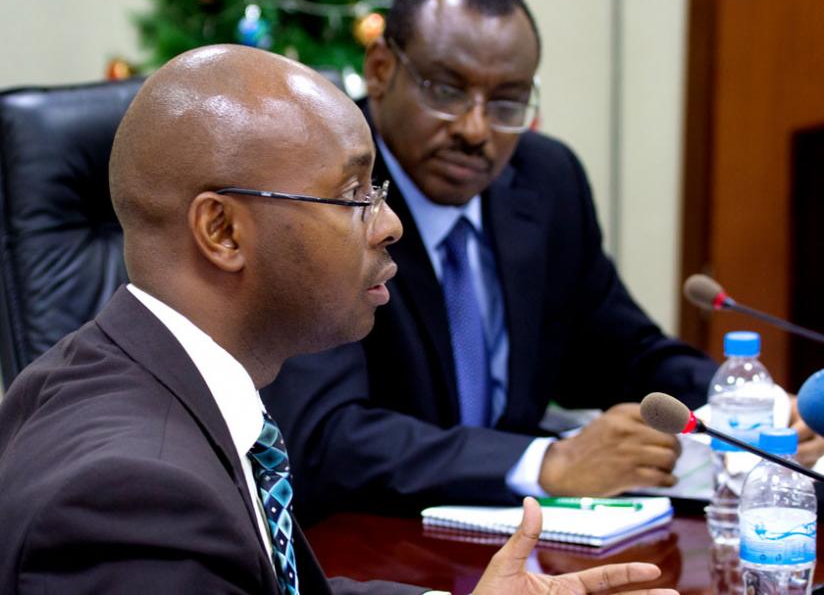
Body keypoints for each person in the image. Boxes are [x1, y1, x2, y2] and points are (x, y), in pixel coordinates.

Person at [0, 45, 678, 595]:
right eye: (353, 194)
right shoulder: (134, 501)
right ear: (223, 231)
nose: (390, 223)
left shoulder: (112, 373)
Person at [263, 0, 824, 521]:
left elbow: (622, 352)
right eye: (447, 91)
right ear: (381, 70)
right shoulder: (324, 195)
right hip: (369, 539)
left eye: (507, 102)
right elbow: (324, 437)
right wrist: (546, 463)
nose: (475, 130)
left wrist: (750, 408)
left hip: (525, 535)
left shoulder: (545, 180)